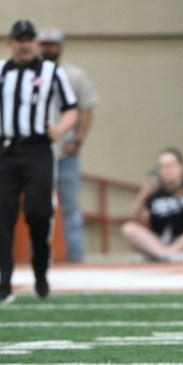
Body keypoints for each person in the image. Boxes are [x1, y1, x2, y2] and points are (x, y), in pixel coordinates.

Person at [0, 19, 78, 304]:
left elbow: (71, 108)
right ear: (10, 43)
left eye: (29, 39)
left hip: (38, 151)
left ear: (35, 42)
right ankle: (3, 282)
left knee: (39, 211)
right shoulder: (1, 71)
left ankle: (40, 271)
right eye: (19, 39)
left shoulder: (50, 71)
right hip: (6, 151)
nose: (24, 44)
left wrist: (61, 129)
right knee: (2, 217)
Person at [39, 27, 99, 263]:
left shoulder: (74, 76)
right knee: (39, 208)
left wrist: (77, 140)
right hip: (39, 153)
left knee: (71, 206)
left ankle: (76, 256)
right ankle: (40, 257)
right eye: (45, 44)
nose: (49, 49)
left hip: (65, 151)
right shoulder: (31, 75)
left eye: (53, 44)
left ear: (61, 46)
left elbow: (85, 109)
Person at [121, 147, 183, 263]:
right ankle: (168, 255)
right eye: (162, 167)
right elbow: (136, 217)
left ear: (181, 167)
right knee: (129, 229)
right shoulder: (154, 192)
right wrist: (143, 195)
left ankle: (161, 255)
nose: (166, 170)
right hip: (161, 240)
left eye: (170, 165)